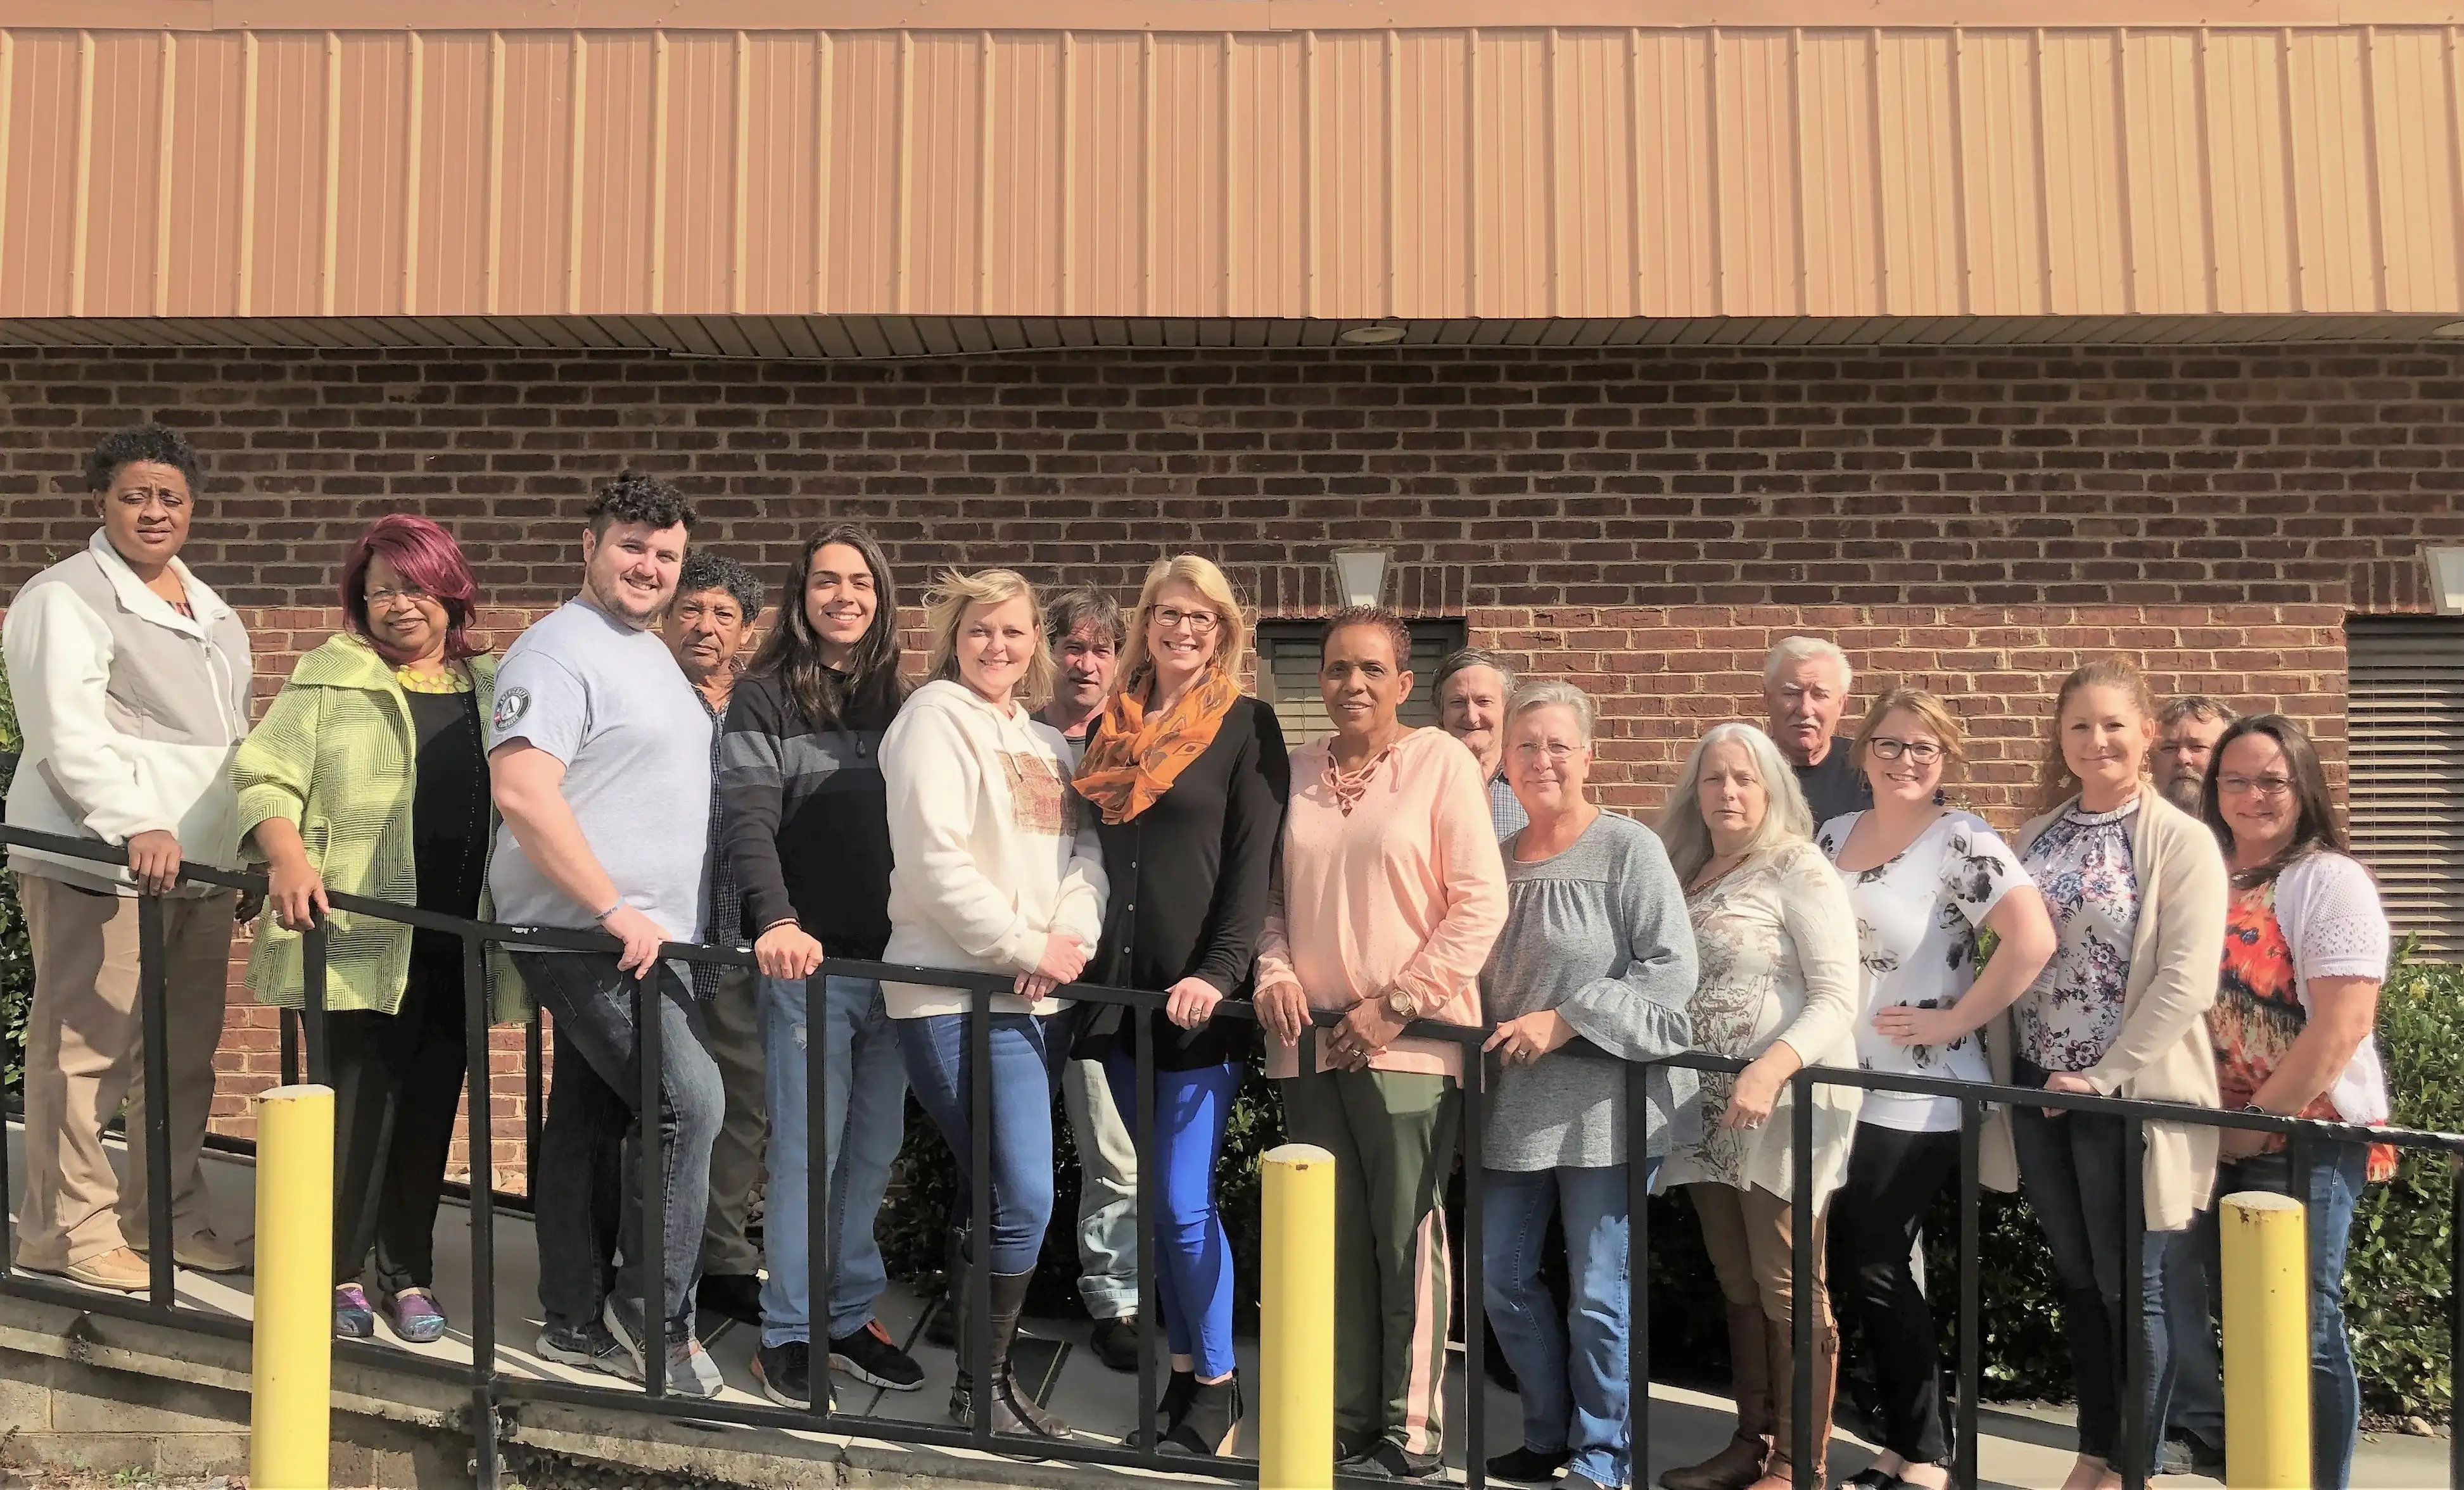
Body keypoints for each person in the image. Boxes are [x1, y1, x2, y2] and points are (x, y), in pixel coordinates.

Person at [232, 515, 516, 1344]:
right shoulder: (329, 677)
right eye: (380, 590)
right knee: (353, 1110)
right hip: (355, 938)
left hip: (456, 940)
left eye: (414, 586)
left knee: (429, 1111)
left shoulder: (494, 686)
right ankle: (337, 1272)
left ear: (449, 591)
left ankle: (407, 1272)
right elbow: (263, 772)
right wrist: (285, 856)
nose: (398, 604)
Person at [1254, 605, 1508, 1481]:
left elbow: (1479, 903)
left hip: (1411, 1046)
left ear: (1403, 683)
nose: (1350, 685)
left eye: (1370, 670)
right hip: (1312, 1042)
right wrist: (1275, 972)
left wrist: (1395, 1003)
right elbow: (1269, 902)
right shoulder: (1292, 772)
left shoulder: (1438, 762)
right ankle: (1343, 1416)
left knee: (1405, 1234)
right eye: (1333, 669)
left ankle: (1412, 1428)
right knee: (1327, 1238)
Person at [490, 471, 726, 1398]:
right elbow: (522, 789)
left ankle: (573, 1318)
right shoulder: (556, 652)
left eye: (665, 554)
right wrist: (609, 905)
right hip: (583, 936)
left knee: (589, 1118)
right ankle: (653, 1316)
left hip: (635, 938)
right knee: (689, 1103)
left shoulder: (646, 651)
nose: (649, 566)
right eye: (632, 546)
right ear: (588, 545)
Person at [5, 423, 254, 1293]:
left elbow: (230, 744)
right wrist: (131, 820)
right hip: (97, 861)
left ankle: (169, 1217)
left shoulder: (213, 610)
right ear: (100, 502)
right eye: (135, 495)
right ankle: (63, 1231)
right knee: (85, 1049)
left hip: (199, 872)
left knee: (182, 1055)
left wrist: (239, 849)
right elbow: (63, 730)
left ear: (192, 509)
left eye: (171, 498)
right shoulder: (63, 595)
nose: (155, 511)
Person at [1987, 657, 2226, 1490]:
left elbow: (2186, 981)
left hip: (2126, 1098)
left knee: (2137, 1288)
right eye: (2079, 725)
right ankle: (2094, 1451)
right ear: (2059, 737)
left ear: (2147, 733)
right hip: (2035, 1089)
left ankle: (2136, 1467)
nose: (2097, 741)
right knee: (2080, 1279)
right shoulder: (2034, 836)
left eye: (2113, 724)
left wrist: (2105, 1075)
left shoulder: (2181, 842)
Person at [882, 567, 1108, 1439]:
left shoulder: (1046, 742)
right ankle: (981, 1394)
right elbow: (933, 865)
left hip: (1036, 998)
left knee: (996, 1192)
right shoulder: (932, 720)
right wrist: (1023, 949)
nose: (998, 646)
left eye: (1015, 632)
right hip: (956, 995)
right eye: (981, 630)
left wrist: (1067, 944)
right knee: (1022, 1194)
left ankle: (985, 1388)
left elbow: (1085, 854)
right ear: (953, 636)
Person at [1072, 555, 1290, 1456]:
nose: (1182, 629)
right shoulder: (1110, 729)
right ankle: (1182, 1376)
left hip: (1196, 1008)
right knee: (1155, 1194)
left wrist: (1225, 971)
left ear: (1225, 629)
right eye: (1166, 612)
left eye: (1201, 616)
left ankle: (1214, 1383)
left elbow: (1250, 867)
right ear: (1145, 624)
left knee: (1183, 1203)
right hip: (1114, 1000)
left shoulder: (1247, 726)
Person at [1812, 690, 2055, 1490]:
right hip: (1834, 1081)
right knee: (1859, 1266)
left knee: (1877, 1260)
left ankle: (1925, 1455)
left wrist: (1957, 1020)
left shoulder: (1962, 841)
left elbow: (2031, 938)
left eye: (1925, 748)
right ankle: (1900, 1442)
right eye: (1890, 744)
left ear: (1944, 760)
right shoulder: (1832, 834)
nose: (1906, 760)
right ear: (1864, 752)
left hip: (1921, 1090)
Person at [1478, 681, 1698, 1490]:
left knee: (1599, 1294)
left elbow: (1673, 970)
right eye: (1525, 745)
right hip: (1511, 1105)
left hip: (1607, 1108)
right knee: (1501, 1275)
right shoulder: (1489, 858)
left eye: (1557, 745)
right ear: (1503, 762)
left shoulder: (1626, 848)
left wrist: (1564, 1018)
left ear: (1587, 758)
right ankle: (1547, 1433)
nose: (1541, 759)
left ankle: (1604, 1454)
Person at [721, 527, 922, 1410]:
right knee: (810, 1149)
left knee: (872, 1151)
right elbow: (748, 823)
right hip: (810, 965)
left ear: (881, 597)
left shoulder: (905, 703)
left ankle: (845, 1315)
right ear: (800, 596)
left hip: (899, 968)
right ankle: (788, 1333)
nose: (844, 596)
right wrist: (777, 919)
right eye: (826, 581)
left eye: (861, 583)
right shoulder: (762, 698)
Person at [2187, 714, 2392, 1490]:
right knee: (2238, 1324)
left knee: (2300, 1326)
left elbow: (2342, 1024)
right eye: (2233, 779)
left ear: (2303, 787)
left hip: (2304, 1136)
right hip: (2210, 1133)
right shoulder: (2204, 871)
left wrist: (2251, 1128)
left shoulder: (2328, 879)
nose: (2251, 795)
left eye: (2271, 779)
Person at [1654, 723, 1860, 1490]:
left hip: (1783, 1102)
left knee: (1785, 1280)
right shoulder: (1689, 870)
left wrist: (1769, 1068)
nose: (1729, 792)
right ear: (1695, 791)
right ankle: (1751, 1442)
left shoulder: (1796, 865)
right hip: (1704, 1110)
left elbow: (1839, 992)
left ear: (1771, 788)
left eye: (1745, 778)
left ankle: (1797, 1465)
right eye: (1714, 778)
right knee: (1734, 1278)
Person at [1031, 588, 1144, 1373]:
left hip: (1100, 983)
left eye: (1103, 649)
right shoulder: (1015, 734)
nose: (1087, 661)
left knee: (1114, 1152)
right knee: (1000, 1142)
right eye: (1073, 645)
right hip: (1015, 973)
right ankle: (983, 1295)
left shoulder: (1134, 740)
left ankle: (1115, 1302)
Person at [658, 553, 767, 1330]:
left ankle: (724, 1254)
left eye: (723, 614)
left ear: (747, 631)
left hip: (740, 936)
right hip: (657, 938)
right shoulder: (644, 696)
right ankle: (649, 1258)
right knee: (661, 1105)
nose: (704, 626)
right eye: (691, 610)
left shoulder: (760, 706)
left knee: (740, 1103)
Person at [1761, 636, 1870, 828]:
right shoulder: (1748, 770)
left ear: (1842, 704)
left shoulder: (1870, 769)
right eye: (1791, 693)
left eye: (1820, 695)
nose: (1805, 709)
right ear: (1768, 699)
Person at [1433, 647, 1526, 839]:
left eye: (1483, 701)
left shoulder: (1535, 782)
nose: (1471, 716)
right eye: (1457, 702)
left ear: (1507, 711)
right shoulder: (1419, 786)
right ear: (1440, 715)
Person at [2154, 696, 2237, 816]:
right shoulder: (2131, 830)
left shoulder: (2247, 827)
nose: (2183, 758)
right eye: (2169, 748)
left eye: (2198, 747)